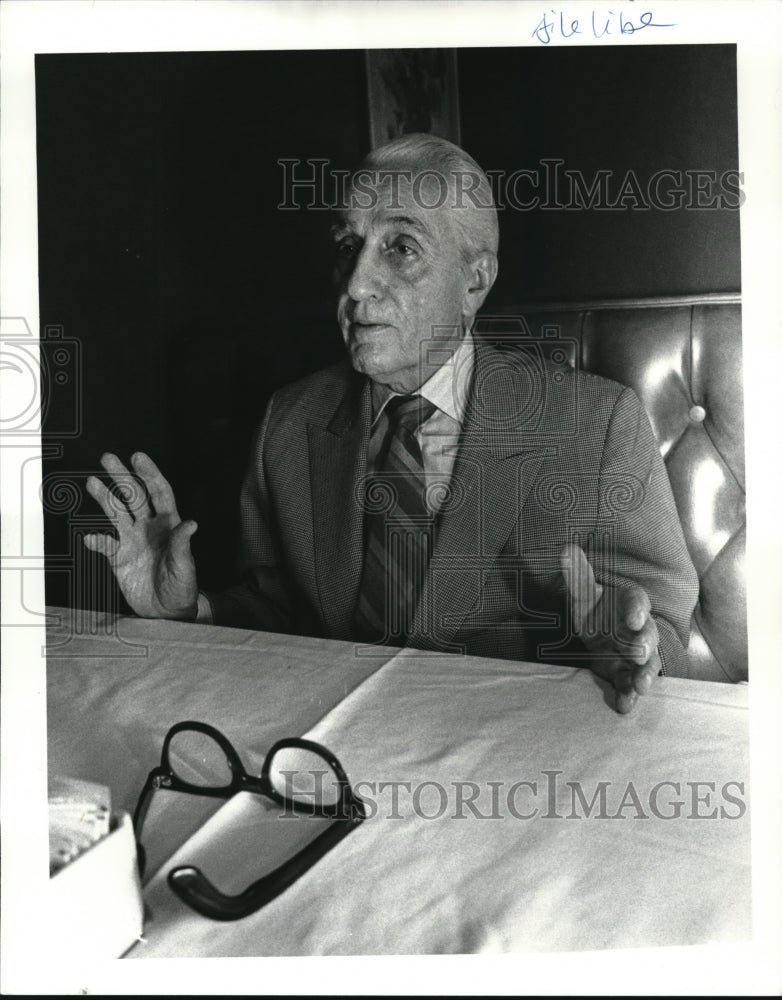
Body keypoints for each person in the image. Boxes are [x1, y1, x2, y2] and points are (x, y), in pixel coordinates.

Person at [84, 133, 698, 714]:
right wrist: (195, 609)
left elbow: (661, 630)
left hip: (520, 766)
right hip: (331, 759)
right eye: (349, 246)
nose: (355, 285)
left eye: (401, 248)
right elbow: (277, 609)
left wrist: (624, 647)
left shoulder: (597, 422)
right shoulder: (289, 422)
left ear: (474, 280)